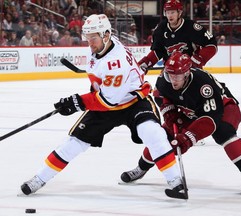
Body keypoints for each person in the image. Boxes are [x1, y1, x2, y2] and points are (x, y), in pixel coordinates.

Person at [20, 14, 184, 199]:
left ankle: (175, 181)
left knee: (153, 133)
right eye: (87, 38)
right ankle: (40, 178)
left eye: (93, 38)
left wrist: (76, 102)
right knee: (74, 144)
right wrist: (78, 100)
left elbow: (108, 100)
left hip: (133, 102)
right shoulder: (106, 43)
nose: (90, 43)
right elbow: (104, 89)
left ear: (106, 35)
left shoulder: (115, 63)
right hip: (109, 101)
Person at [121, 51, 241, 194]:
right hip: (190, 110)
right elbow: (160, 97)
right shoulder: (164, 80)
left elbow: (211, 119)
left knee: (223, 133)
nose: (174, 80)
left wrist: (188, 138)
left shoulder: (203, 84)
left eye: (177, 75)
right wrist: (169, 113)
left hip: (223, 108)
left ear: (187, 73)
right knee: (163, 136)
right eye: (171, 74)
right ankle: (141, 168)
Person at [138, 0, 217, 74]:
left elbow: (211, 44)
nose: (170, 15)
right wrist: (147, 61)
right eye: (168, 12)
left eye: (172, 12)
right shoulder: (161, 28)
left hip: (190, 71)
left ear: (179, 13)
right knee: (159, 88)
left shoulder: (191, 27)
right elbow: (158, 51)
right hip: (169, 71)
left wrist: (198, 59)